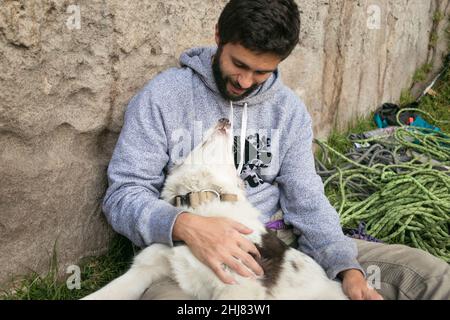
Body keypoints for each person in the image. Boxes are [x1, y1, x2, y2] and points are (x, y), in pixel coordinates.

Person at [102, 0, 450, 300]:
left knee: (434, 277)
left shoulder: (288, 110)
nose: (245, 81)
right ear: (218, 36)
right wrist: (186, 225)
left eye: (261, 72)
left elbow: (308, 200)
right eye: (238, 65)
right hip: (189, 256)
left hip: (285, 251)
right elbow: (122, 195)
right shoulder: (164, 97)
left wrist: (346, 268)